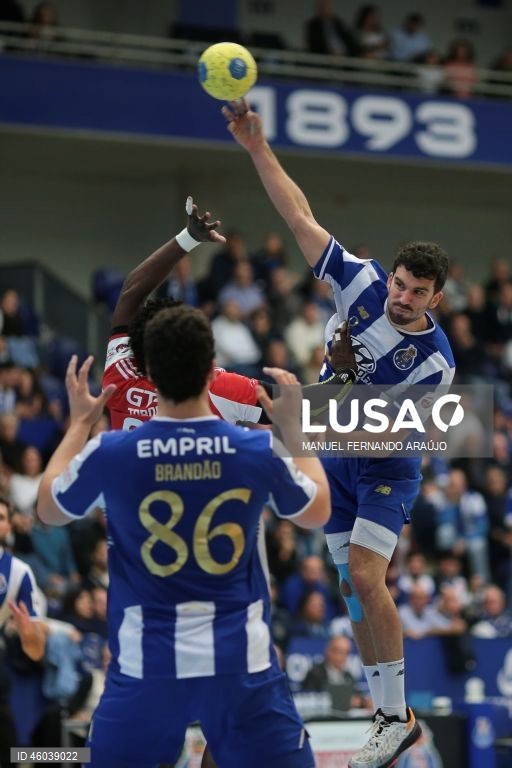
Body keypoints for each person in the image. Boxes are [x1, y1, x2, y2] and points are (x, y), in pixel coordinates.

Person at [223, 97, 455, 768]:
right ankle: (391, 715)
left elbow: (393, 437)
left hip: (385, 460)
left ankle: (394, 713)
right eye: (401, 284)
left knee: (362, 571)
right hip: (333, 448)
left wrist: (323, 403)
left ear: (436, 299)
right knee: (351, 587)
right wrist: (256, 147)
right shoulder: (359, 284)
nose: (402, 297)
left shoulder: (436, 363)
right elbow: (298, 215)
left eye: (417, 293)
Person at [37, 305, 331, 768]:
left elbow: (49, 509)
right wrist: (295, 433)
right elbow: (317, 512)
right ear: (211, 366)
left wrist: (78, 425)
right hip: (241, 664)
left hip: (145, 664)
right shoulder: (255, 449)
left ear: (150, 371)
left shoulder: (112, 450)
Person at [103, 197, 265, 431]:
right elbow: (311, 406)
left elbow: (131, 294)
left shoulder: (120, 378)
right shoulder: (215, 388)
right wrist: (334, 372)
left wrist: (187, 239)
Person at [0, 496, 46, 767]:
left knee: (14, 752)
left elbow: (36, 651)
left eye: (2, 517)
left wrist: (28, 633)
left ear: (9, 527)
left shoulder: (19, 572)